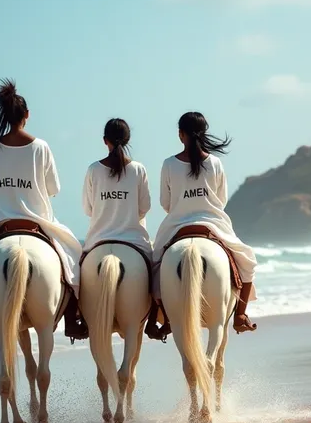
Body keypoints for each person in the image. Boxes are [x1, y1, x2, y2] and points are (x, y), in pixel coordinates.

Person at [0, 79, 85, 340]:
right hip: (38, 222)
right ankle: (73, 318)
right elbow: (53, 187)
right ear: (27, 116)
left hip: (0, 223)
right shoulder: (41, 147)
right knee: (72, 259)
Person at [150, 111, 257, 337]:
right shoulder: (215, 163)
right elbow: (222, 200)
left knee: (154, 267)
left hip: (175, 226)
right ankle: (240, 315)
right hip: (213, 224)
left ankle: (163, 317)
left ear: (181, 135)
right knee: (247, 261)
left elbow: (165, 203)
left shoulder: (169, 164)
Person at [82, 118, 152, 262]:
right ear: (128, 139)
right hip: (134, 241)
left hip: (97, 240)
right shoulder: (139, 169)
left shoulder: (93, 170)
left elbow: (88, 210)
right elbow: (145, 208)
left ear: (105, 140)